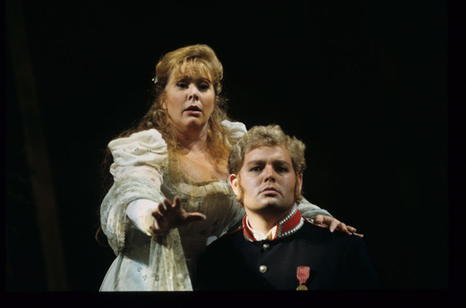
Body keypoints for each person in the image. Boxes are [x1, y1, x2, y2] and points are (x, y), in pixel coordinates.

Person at [98, 44, 359, 291]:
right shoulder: (147, 146)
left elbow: (269, 186)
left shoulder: (232, 145)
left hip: (216, 277)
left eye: (203, 86)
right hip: (152, 277)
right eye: (182, 85)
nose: (193, 94)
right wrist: (153, 216)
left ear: (214, 97)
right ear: (163, 100)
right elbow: (133, 190)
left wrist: (313, 215)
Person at [194, 125, 379, 290]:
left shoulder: (342, 247)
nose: (269, 176)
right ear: (235, 184)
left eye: (281, 168)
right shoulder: (214, 259)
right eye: (256, 168)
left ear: (298, 182)